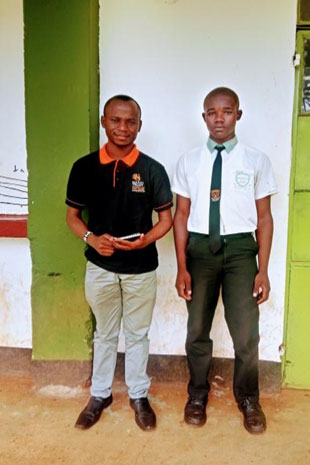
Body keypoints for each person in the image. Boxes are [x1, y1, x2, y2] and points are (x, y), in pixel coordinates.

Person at [172, 87, 277, 434]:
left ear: (238, 115)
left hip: (240, 252)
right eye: (212, 112)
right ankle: (197, 395)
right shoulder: (189, 161)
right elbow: (181, 215)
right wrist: (182, 266)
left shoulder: (255, 160)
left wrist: (263, 269)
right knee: (197, 328)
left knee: (246, 333)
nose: (219, 118)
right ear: (203, 117)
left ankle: (248, 398)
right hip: (200, 250)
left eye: (227, 111)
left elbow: (264, 218)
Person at [65, 94, 173, 431]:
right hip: (100, 268)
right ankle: (100, 395)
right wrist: (91, 239)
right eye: (116, 120)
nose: (122, 128)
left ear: (139, 126)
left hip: (141, 268)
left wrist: (146, 239)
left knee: (138, 335)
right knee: (105, 334)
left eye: (130, 122)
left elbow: (166, 220)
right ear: (103, 122)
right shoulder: (84, 167)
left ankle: (138, 395)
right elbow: (72, 217)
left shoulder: (152, 170)